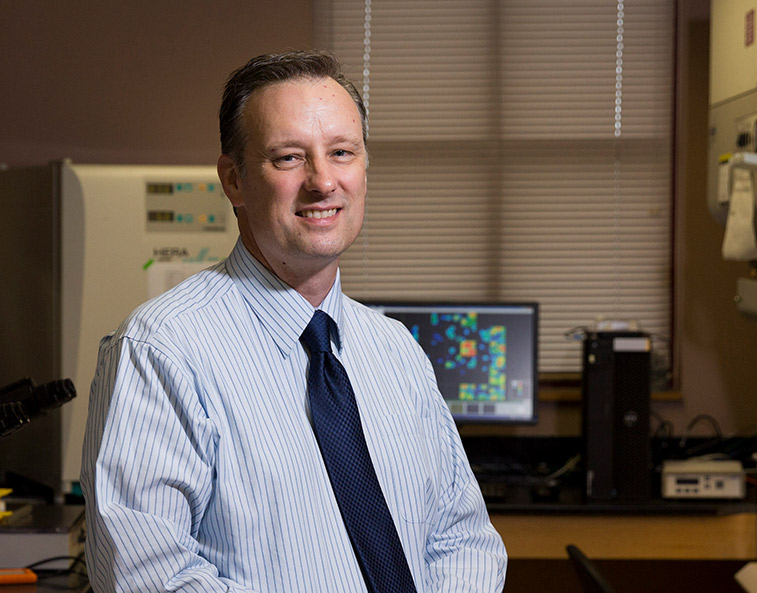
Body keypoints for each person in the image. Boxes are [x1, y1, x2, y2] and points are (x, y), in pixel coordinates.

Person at [80, 50, 507, 593]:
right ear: (234, 181)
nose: (323, 182)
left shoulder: (395, 350)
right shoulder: (160, 349)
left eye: (342, 152)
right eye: (288, 158)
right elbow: (148, 579)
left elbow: (461, 540)